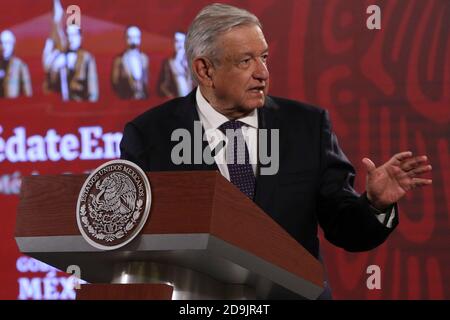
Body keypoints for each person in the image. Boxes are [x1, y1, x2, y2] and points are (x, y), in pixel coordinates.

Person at [119, 4, 432, 298]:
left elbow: (345, 229)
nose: (263, 73)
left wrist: (374, 205)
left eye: (264, 58)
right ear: (205, 70)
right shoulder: (150, 136)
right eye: (246, 61)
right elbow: (135, 240)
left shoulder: (307, 127)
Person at [42, 0, 99, 102]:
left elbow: (92, 89)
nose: (71, 39)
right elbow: (49, 80)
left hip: (82, 107)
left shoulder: (87, 57)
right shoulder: (61, 57)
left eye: (74, 35)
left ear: (80, 37)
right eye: (68, 35)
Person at [111, 26, 150, 100]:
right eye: (130, 37)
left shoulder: (144, 58)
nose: (133, 41)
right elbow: (115, 81)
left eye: (136, 37)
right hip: (126, 99)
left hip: (143, 98)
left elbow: (146, 79)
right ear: (125, 39)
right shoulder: (119, 60)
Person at [158, 31, 193, 99]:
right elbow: (162, 86)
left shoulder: (191, 62)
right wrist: (171, 97)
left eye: (182, 41)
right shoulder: (168, 63)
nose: (179, 45)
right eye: (177, 41)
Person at [0, 30, 32, 98]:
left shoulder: (20, 65)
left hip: (13, 106)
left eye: (7, 43)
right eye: (2, 43)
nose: (4, 46)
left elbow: (28, 92)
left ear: (13, 44)